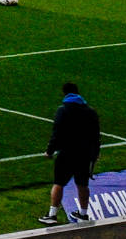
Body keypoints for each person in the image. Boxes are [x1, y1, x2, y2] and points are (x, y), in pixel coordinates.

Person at [43, 80, 101, 224]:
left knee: (58, 183)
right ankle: (83, 213)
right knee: (82, 184)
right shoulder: (90, 112)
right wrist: (95, 154)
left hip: (67, 153)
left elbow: (56, 133)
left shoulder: (63, 110)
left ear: (65, 93)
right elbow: (96, 136)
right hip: (84, 154)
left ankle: (52, 214)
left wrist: (49, 151)